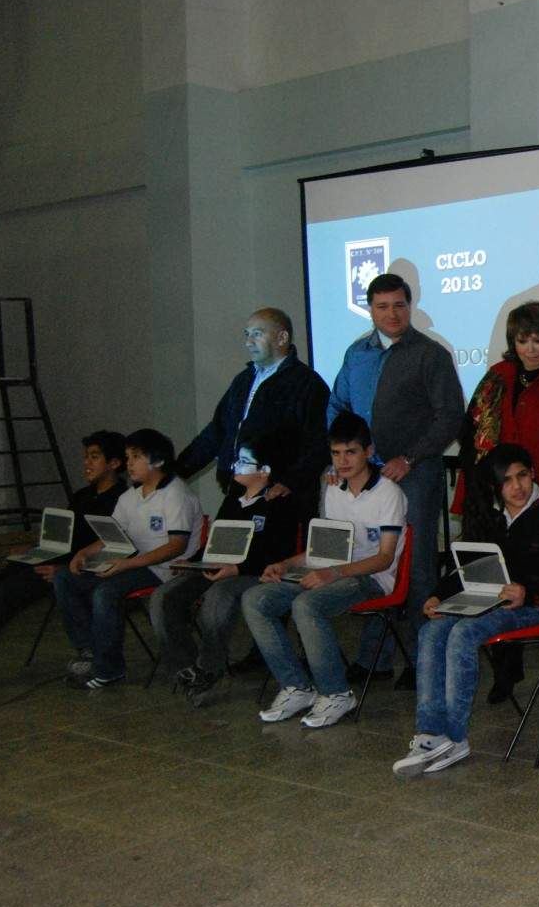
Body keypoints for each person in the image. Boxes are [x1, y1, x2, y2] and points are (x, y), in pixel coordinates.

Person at [393, 443, 539, 777]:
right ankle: (429, 733)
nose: (517, 486)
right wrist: (438, 596)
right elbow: (468, 566)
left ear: (533, 474)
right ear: (495, 486)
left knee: (464, 633)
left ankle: (455, 736)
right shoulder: (491, 514)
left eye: (522, 475)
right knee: (432, 630)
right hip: (493, 598)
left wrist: (529, 593)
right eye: (506, 480)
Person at [328, 273, 464, 680]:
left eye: (399, 305)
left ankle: (421, 661)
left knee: (418, 567)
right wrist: (340, 459)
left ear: (410, 306)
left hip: (415, 474)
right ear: (370, 309)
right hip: (365, 478)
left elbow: (450, 416)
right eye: (383, 306)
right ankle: (375, 659)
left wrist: (409, 457)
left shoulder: (430, 354)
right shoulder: (356, 354)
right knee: (373, 564)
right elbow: (337, 407)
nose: (392, 314)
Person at [243, 412, 406, 729]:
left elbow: (385, 558)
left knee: (307, 605)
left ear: (369, 452)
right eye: (336, 453)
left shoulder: (389, 493)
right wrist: (286, 564)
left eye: (351, 452)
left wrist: (335, 573)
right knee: (255, 599)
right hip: (330, 572)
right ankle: (297, 687)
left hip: (371, 578)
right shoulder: (332, 488)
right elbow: (322, 550)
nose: (343, 461)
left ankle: (336, 693)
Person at [457, 300, 539, 704]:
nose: (531, 348)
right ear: (513, 343)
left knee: (537, 581)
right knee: (495, 581)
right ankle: (505, 669)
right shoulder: (497, 378)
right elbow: (470, 434)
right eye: (523, 340)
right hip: (494, 497)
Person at [0, 431, 126, 691]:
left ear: (114, 463)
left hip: (75, 570)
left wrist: (64, 568)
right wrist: (35, 549)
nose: (86, 463)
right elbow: (66, 537)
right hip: (56, 559)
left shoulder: (122, 500)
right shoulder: (83, 495)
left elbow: (115, 547)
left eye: (94, 457)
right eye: (86, 457)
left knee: (1, 595)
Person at [148, 440, 303, 705]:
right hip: (218, 565)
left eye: (244, 462)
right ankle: (186, 666)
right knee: (164, 596)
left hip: (255, 572)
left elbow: (278, 552)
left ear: (264, 470)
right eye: (236, 460)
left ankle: (209, 668)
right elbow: (217, 540)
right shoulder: (233, 498)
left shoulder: (280, 502)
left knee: (218, 595)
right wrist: (193, 561)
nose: (235, 466)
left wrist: (237, 568)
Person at [56, 429, 203, 689]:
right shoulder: (130, 497)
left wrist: (125, 564)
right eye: (127, 457)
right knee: (66, 578)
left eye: (136, 457)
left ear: (158, 460)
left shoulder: (176, 494)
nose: (129, 464)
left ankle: (109, 669)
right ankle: (89, 651)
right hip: (135, 563)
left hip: (166, 569)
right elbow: (113, 536)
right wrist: (85, 552)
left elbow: (175, 547)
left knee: (105, 592)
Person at [175, 307, 331, 515]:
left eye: (257, 334)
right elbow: (217, 431)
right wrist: (177, 472)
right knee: (224, 537)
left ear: (282, 337)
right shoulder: (243, 380)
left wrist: (290, 481)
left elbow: (320, 442)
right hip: (238, 489)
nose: (248, 342)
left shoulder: (308, 384)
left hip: (281, 496)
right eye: (247, 334)